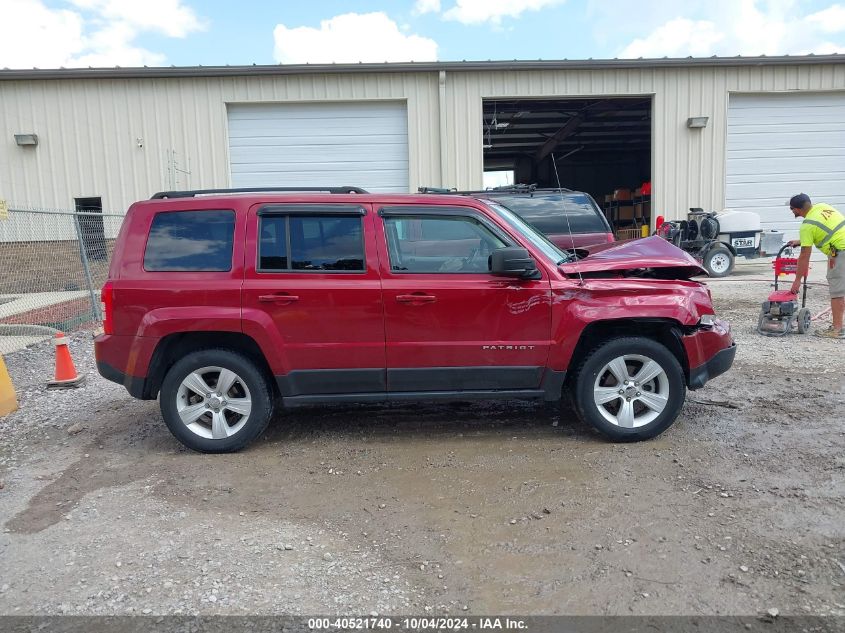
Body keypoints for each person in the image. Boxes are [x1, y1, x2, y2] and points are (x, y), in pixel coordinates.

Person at [786, 193, 845, 339]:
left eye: (792, 209)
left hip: (840, 252)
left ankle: (837, 330)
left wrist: (797, 280)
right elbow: (828, 228)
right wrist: (802, 241)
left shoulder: (807, 226)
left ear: (798, 210)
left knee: (837, 291)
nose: (791, 211)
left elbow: (804, 256)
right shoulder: (822, 207)